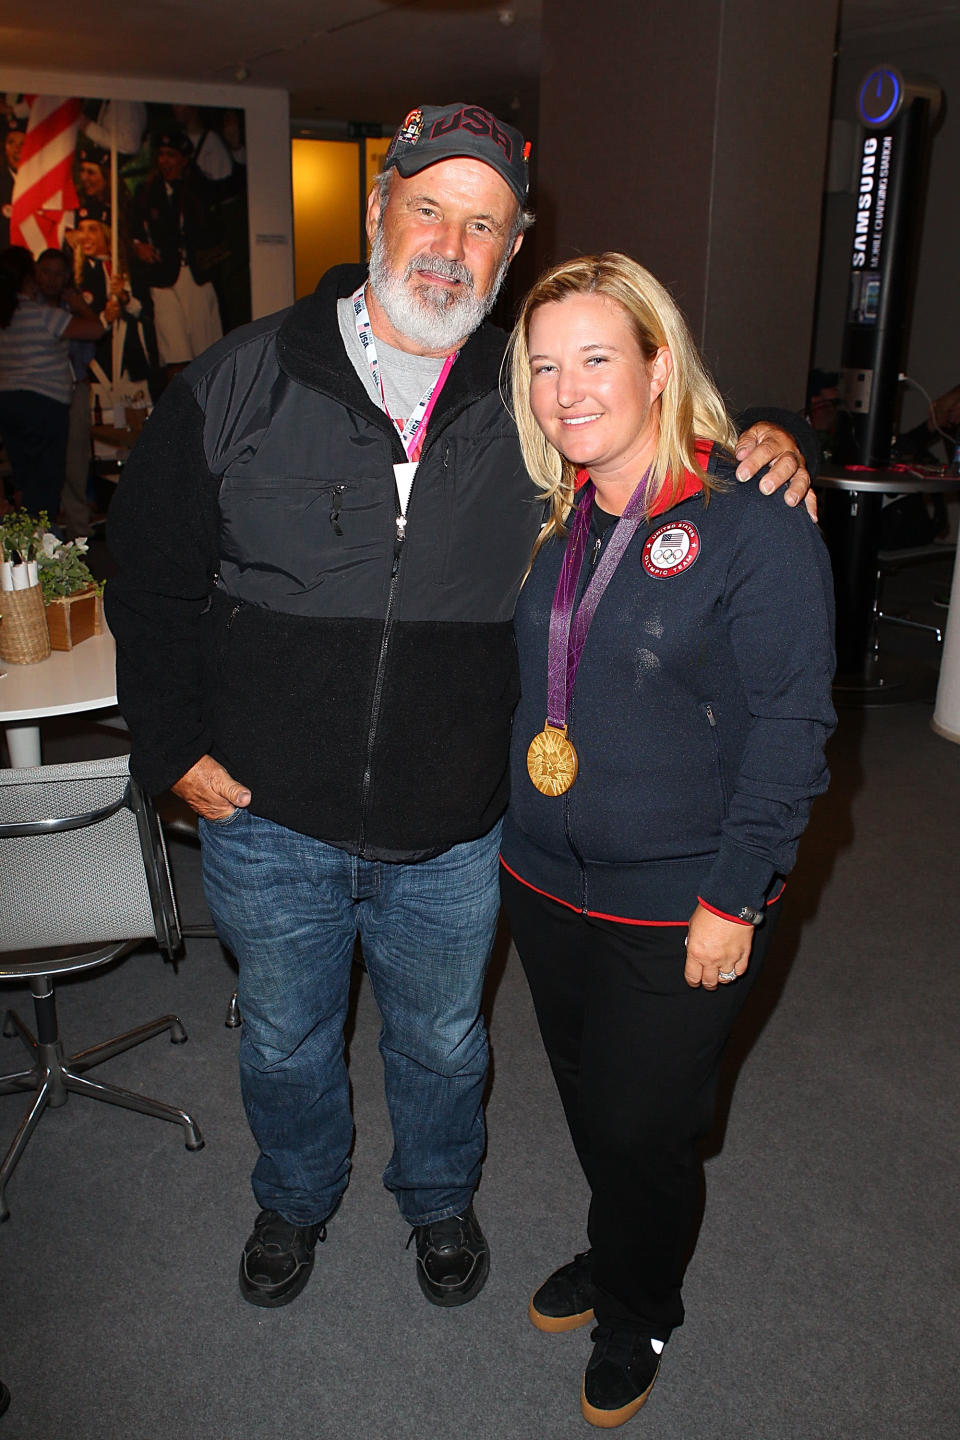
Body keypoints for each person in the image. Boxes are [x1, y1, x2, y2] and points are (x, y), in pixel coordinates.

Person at [106, 102, 817, 1316]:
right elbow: (151, 573)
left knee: (443, 1043)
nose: (450, 242)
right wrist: (172, 744)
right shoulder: (242, 374)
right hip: (267, 812)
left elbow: (670, 400)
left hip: (458, 818)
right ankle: (294, 1195)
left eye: (483, 225)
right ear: (380, 210)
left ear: (514, 247)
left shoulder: (532, 386)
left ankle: (438, 1197)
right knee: (282, 1038)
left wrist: (776, 435)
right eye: (429, 207)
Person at [498, 253, 836, 1427]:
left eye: (597, 358)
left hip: (680, 896)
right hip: (544, 884)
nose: (567, 390)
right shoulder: (556, 517)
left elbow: (793, 728)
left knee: (647, 1123)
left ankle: (641, 1303)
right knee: (600, 1108)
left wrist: (736, 897)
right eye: (545, 367)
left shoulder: (751, 522)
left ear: (657, 363)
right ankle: (617, 1244)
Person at [0, 245, 104, 517]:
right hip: (45, 402)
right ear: (29, 278)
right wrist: (82, 307)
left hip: (9, 400)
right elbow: (96, 330)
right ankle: (42, 544)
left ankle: (27, 540)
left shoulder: (6, 315)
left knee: (24, 476)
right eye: (40, 272)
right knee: (46, 478)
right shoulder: (44, 314)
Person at [130, 128, 228, 375]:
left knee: (206, 352)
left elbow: (216, 231)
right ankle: (178, 407)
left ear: (184, 160)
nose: (165, 161)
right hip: (163, 277)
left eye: (171, 155)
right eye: (161, 154)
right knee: (174, 350)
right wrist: (138, 246)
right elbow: (132, 229)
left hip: (196, 276)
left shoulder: (200, 190)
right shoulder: (146, 192)